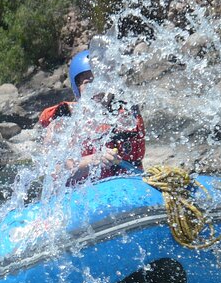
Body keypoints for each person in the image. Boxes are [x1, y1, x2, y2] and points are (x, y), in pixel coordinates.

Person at [39, 49, 146, 185]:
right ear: (77, 88)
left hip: (129, 188)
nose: (96, 88)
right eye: (88, 82)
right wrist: (94, 159)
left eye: (100, 80)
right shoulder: (63, 122)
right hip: (82, 195)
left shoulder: (127, 116)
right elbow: (53, 169)